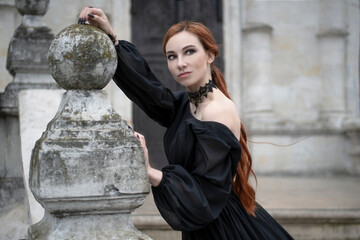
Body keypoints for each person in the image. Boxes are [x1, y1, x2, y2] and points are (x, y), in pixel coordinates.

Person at [79, 7, 294, 240]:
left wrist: (150, 172)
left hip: (223, 229)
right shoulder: (187, 103)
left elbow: (204, 195)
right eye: (172, 56)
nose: (180, 63)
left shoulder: (217, 111)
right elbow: (151, 93)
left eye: (189, 52)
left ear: (210, 55)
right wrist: (112, 39)